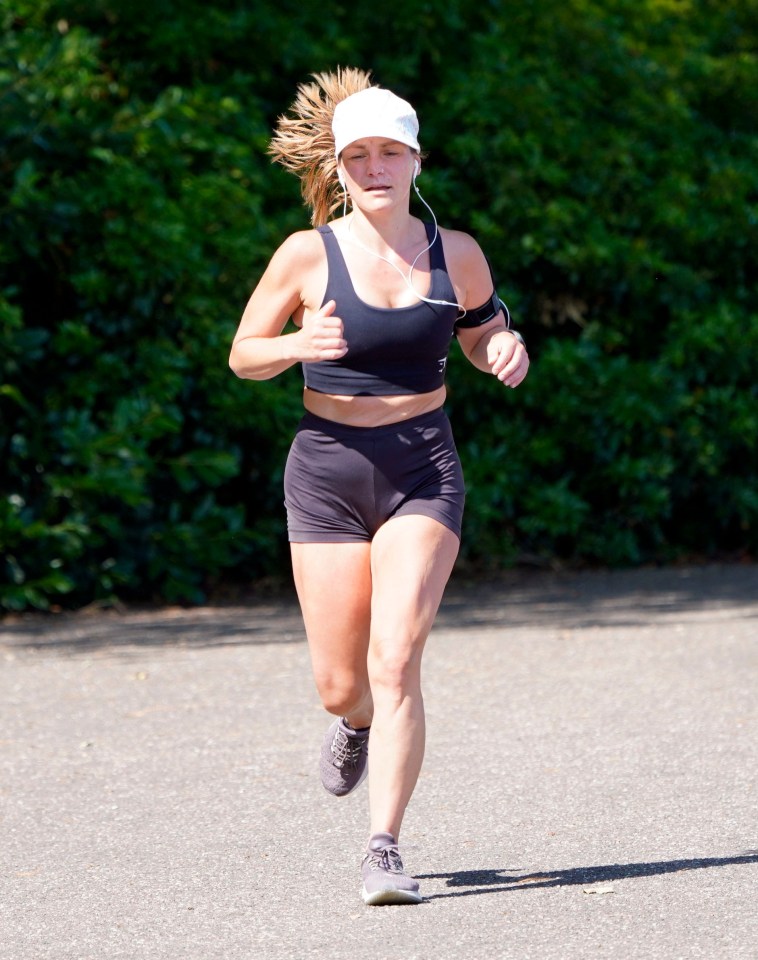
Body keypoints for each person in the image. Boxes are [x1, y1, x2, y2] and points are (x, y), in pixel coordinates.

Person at [229, 67, 529, 906]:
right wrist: (297, 346)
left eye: (389, 152)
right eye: (357, 154)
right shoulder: (305, 254)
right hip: (326, 470)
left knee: (396, 658)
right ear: (340, 166)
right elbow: (242, 354)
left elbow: (484, 329)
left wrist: (503, 350)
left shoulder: (456, 253)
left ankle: (384, 847)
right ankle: (352, 723)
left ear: (416, 161)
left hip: (421, 468)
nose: (374, 167)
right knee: (342, 680)